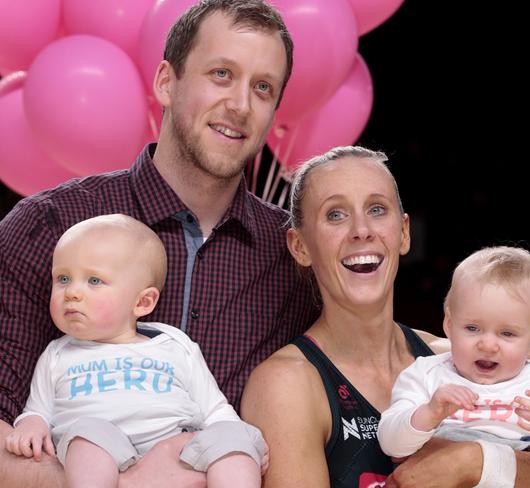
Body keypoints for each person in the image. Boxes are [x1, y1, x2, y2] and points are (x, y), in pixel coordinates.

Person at [0, 1, 318, 486]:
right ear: (166, 82)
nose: (240, 104)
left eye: (262, 87)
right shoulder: (47, 225)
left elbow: (366, 355)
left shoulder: (292, 257)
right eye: (220, 73)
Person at [241, 146, 530, 488]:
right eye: (335, 215)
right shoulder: (287, 383)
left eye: (377, 209)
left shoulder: (459, 356)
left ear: (404, 233)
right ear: (299, 246)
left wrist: (473, 462)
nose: (362, 230)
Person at [4, 214, 267, 487]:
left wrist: (237, 439)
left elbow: (215, 409)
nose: (71, 292)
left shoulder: (174, 344)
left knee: (235, 439)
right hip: (101, 450)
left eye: (94, 281)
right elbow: (38, 410)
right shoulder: (57, 355)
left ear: (143, 302)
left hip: (181, 453)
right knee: (85, 435)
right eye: (63, 278)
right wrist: (31, 425)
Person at [378, 246, 530, 468]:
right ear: (449, 325)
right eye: (472, 328)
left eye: (507, 333)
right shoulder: (426, 374)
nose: (488, 345)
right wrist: (429, 413)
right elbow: (390, 444)